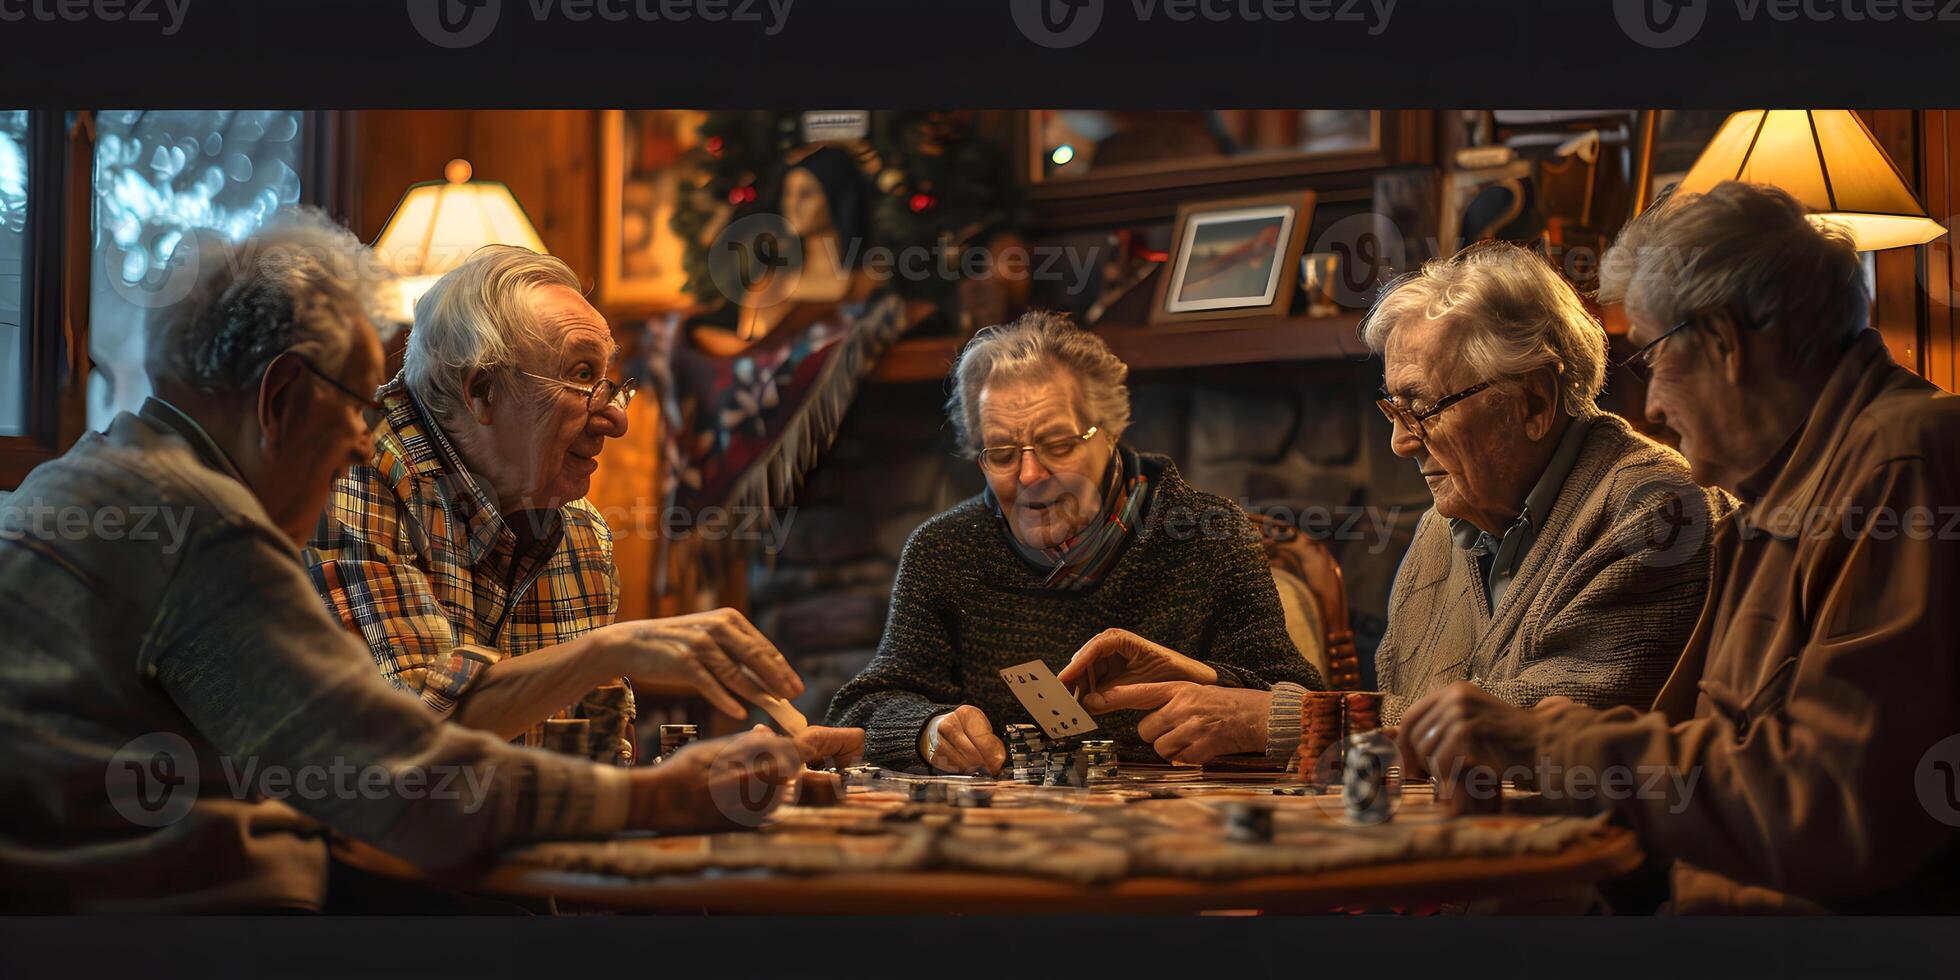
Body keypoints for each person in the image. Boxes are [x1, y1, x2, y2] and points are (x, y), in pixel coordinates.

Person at [0, 211, 854, 912]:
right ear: (282, 398)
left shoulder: (95, 478)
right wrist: (664, 796)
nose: (365, 436)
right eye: (353, 406)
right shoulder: (203, 526)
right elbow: (405, 785)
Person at [1397, 182, 1960, 913]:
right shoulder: (1775, 499)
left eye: (1654, 358)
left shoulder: (1904, 463)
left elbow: (1833, 811)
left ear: (1725, 344)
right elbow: (1709, 768)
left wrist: (1543, 740)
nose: (1653, 405)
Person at [1071, 242, 1725, 766]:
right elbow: (1397, 715)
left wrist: (1270, 721)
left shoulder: (1651, 513)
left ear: (1533, 403)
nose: (1399, 441)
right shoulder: (1446, 528)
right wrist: (1220, 691)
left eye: (1421, 408)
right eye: (1391, 407)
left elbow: (1534, 737)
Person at [306, 246, 805, 761]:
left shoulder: (580, 530)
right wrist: (608, 652)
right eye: (584, 376)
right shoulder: (351, 476)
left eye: (611, 383)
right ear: (483, 391)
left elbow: (597, 768)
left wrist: (700, 779)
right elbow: (409, 734)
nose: (617, 419)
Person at [825, 312, 1320, 774]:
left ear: (1110, 431)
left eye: (1058, 445)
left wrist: (1220, 696)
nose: (1030, 475)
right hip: (1006, 837)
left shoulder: (1207, 535)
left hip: (1180, 835)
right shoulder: (944, 551)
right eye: (1000, 454)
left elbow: (1303, 705)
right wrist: (925, 731)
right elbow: (864, 706)